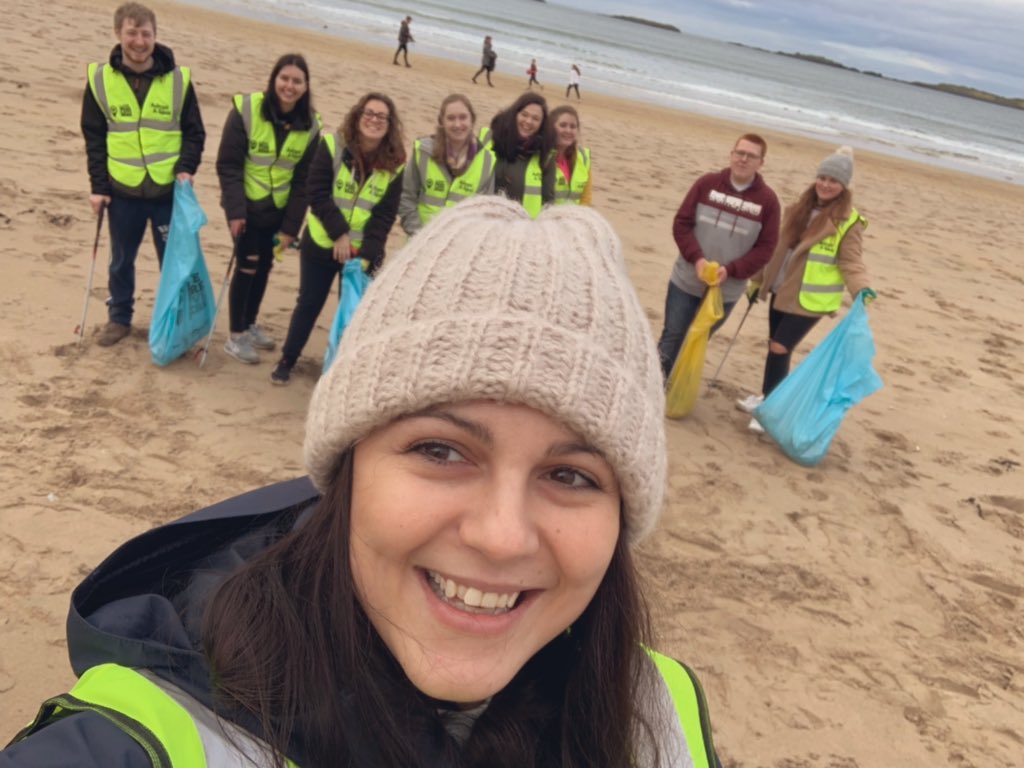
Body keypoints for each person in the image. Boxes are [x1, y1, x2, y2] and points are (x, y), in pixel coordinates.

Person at [4, 198, 722, 768]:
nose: (501, 535)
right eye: (442, 451)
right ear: (348, 470)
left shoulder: (660, 713)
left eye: (570, 474)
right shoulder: (148, 740)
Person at [81, 1, 205, 347]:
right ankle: (119, 317)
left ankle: (175, 321)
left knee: (174, 263)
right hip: (122, 193)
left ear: (155, 36)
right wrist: (98, 187)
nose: (139, 41)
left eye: (145, 33)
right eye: (132, 32)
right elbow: (94, 138)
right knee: (121, 260)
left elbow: (194, 132)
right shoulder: (100, 81)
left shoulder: (179, 81)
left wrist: (185, 168)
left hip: (168, 194)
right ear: (118, 33)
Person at [270, 93, 405, 385]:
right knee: (309, 303)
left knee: (355, 313)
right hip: (321, 243)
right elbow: (316, 192)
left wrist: (366, 253)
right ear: (357, 116)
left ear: (390, 125)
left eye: (382, 116)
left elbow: (385, 215)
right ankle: (287, 359)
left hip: (361, 253)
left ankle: (342, 371)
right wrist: (339, 235)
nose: (374, 120)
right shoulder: (332, 145)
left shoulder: (396, 164)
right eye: (368, 113)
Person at [737, 146, 873, 433]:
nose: (825, 184)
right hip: (781, 289)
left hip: (811, 299)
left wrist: (862, 289)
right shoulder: (797, 208)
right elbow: (775, 248)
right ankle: (767, 398)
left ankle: (770, 410)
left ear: (843, 186)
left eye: (833, 181)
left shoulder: (848, 222)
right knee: (774, 346)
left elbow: (852, 261)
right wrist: (758, 280)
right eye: (822, 177)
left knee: (779, 347)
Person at [215, 54, 320, 365]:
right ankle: (235, 336)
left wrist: (290, 228)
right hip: (244, 207)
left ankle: (249, 323)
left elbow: (304, 181)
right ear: (274, 79)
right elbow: (228, 165)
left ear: (305, 86)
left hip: (277, 210)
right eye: (284, 78)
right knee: (246, 265)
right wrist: (236, 212)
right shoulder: (246, 111)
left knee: (264, 267)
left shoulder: (311, 126)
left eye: (297, 81)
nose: (289, 86)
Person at [656, 133, 780, 379]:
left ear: (761, 162)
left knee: (698, 339)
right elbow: (681, 224)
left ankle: (677, 384)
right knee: (673, 334)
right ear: (731, 154)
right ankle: (654, 383)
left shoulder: (768, 201)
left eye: (751, 156)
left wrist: (732, 270)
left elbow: (766, 248)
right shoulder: (707, 184)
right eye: (739, 153)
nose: (743, 159)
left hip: (726, 290)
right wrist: (698, 259)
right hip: (687, 279)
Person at [399, 93, 496, 236]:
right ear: (442, 122)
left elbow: (486, 213)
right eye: (451, 118)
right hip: (419, 242)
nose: (457, 124)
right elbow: (406, 198)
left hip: (460, 248)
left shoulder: (487, 161)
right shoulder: (423, 152)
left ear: (472, 120)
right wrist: (420, 234)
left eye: (463, 117)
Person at [488, 92, 555, 217]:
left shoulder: (546, 156)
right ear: (515, 114)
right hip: (485, 221)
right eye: (524, 115)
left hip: (523, 228)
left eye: (535, 119)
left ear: (542, 124)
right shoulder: (490, 139)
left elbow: (548, 202)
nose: (528, 121)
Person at [548, 105, 591, 206]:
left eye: (573, 127)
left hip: (572, 219)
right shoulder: (542, 157)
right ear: (551, 127)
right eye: (563, 125)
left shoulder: (583, 158)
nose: (568, 131)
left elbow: (586, 199)